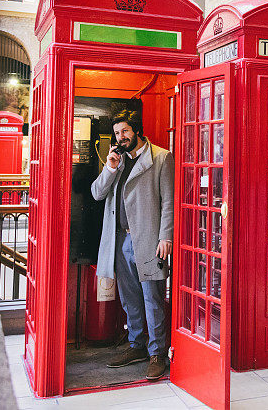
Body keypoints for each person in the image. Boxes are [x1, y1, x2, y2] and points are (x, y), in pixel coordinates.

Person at [91, 106, 174, 380]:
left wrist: (166, 236)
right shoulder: (118, 160)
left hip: (149, 239)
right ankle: (137, 344)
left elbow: (168, 202)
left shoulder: (161, 158)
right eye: (117, 132)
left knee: (152, 298)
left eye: (125, 131)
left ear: (136, 130)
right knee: (130, 299)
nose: (121, 136)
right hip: (121, 239)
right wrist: (110, 168)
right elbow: (96, 193)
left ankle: (157, 352)